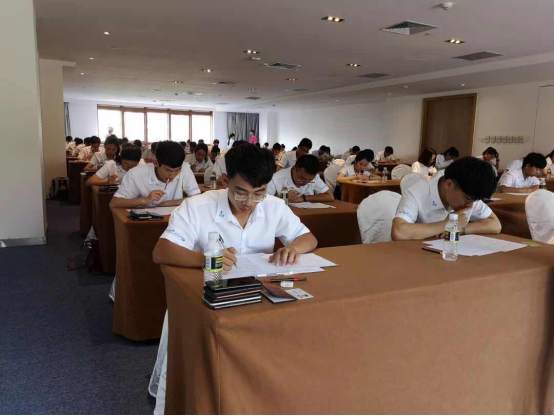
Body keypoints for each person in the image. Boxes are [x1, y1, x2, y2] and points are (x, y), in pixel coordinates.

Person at [149, 144, 318, 413]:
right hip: (208, 300)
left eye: (258, 193)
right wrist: (206, 259)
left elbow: (308, 238)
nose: (249, 202)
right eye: (241, 192)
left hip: (258, 298)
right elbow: (162, 251)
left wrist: (293, 248)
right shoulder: (197, 207)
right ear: (226, 180)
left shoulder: (274, 206)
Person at [392, 157, 501, 241]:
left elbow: (495, 225)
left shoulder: (468, 194)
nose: (470, 206)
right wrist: (447, 225)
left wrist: (460, 229)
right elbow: (399, 232)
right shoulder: (416, 192)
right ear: (449, 184)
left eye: (474, 201)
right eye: (468, 199)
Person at [110, 140, 201, 209]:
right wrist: (145, 200)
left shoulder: (185, 168)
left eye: (177, 170)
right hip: (144, 223)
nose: (172, 175)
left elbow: (197, 198)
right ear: (156, 163)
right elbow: (114, 203)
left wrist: (166, 203)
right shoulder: (135, 174)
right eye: (168, 170)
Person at [267, 154, 334, 202]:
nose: (305, 183)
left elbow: (330, 196)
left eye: (309, 180)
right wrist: (284, 197)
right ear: (294, 168)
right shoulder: (276, 178)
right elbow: (263, 200)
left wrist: (304, 198)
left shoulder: (315, 177)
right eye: (302, 178)